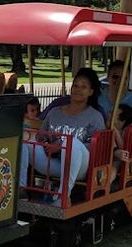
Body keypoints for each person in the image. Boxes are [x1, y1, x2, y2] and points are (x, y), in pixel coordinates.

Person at [27, 68, 106, 203]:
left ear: (91, 92)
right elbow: (41, 136)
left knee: (72, 143)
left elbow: (98, 146)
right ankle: (20, 190)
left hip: (81, 167)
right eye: (75, 85)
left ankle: (63, 196)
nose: (78, 89)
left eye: (83, 87)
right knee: (26, 141)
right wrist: (48, 144)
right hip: (54, 163)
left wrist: (62, 146)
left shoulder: (95, 117)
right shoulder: (54, 112)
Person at [19, 95, 42, 191]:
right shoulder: (23, 123)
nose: (36, 112)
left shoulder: (40, 123)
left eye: (37, 109)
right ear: (25, 113)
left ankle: (23, 186)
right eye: (32, 110)